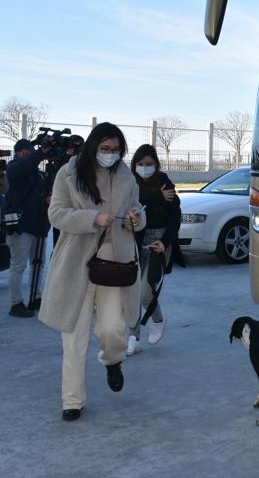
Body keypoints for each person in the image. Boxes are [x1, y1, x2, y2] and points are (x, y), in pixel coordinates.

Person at [38, 122, 145, 422]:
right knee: (74, 334)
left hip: (116, 259)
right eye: (104, 149)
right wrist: (92, 218)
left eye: (115, 150)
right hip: (76, 259)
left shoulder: (128, 177)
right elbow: (56, 213)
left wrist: (137, 219)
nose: (110, 155)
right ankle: (72, 400)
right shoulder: (68, 174)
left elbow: (139, 212)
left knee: (112, 328)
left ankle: (113, 360)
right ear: (92, 147)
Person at [126, 144, 182, 355]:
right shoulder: (130, 185)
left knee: (144, 293)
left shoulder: (166, 185)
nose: (144, 167)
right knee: (130, 293)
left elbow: (175, 218)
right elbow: (133, 209)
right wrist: (156, 198)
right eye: (140, 164)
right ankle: (134, 337)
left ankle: (158, 319)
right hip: (133, 241)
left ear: (156, 165)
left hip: (158, 242)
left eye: (149, 164)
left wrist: (165, 242)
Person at [4, 138, 51, 318]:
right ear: (22, 152)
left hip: (38, 225)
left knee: (38, 264)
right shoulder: (14, 167)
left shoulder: (38, 173)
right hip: (20, 226)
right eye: (31, 152)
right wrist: (41, 153)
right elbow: (24, 168)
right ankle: (16, 303)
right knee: (18, 265)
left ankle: (36, 297)